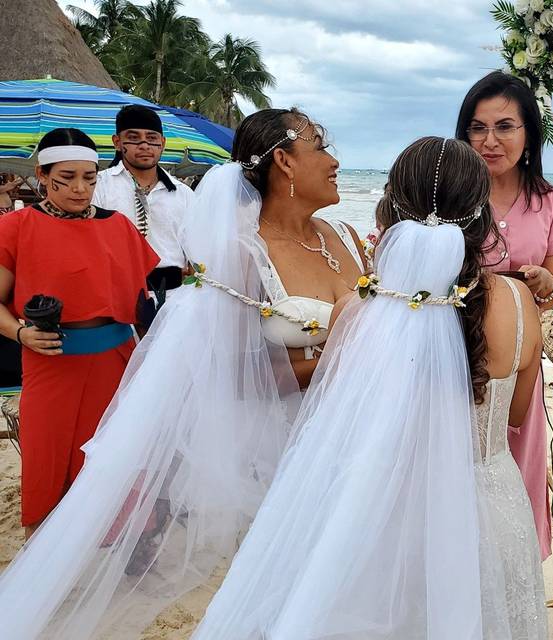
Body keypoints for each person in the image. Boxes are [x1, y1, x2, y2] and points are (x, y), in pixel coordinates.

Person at [0, 109, 362, 640]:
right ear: (283, 162)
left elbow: (147, 279)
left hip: (347, 429)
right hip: (272, 438)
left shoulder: (345, 234)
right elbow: (232, 369)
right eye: (321, 146)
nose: (335, 161)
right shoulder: (243, 255)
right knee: (61, 452)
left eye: (87, 176)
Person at [193, 137, 547, 640]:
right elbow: (515, 416)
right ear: (481, 215)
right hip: (487, 508)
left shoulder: (356, 312)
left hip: (388, 512)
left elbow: (337, 421)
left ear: (391, 210)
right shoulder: (518, 301)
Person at [0, 128, 159, 538]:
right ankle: (44, 551)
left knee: (114, 455)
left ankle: (115, 545)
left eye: (89, 177)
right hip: (50, 361)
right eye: (66, 177)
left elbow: (143, 297)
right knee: (47, 459)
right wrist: (20, 334)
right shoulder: (16, 227)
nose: (79, 188)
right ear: (41, 174)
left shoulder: (119, 226)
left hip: (116, 359)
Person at [456, 70, 553, 559]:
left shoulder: (548, 200)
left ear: (528, 135)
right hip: (458, 362)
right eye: (477, 128)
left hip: (519, 373)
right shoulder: (454, 195)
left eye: (505, 126)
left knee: (514, 469)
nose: (489, 140)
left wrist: (546, 283)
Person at [92, 105, 195, 294]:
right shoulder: (99, 186)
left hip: (175, 298)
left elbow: (196, 249)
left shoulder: (184, 193)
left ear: (162, 143)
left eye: (151, 138)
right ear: (117, 142)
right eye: (133, 138)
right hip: (115, 293)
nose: (144, 145)